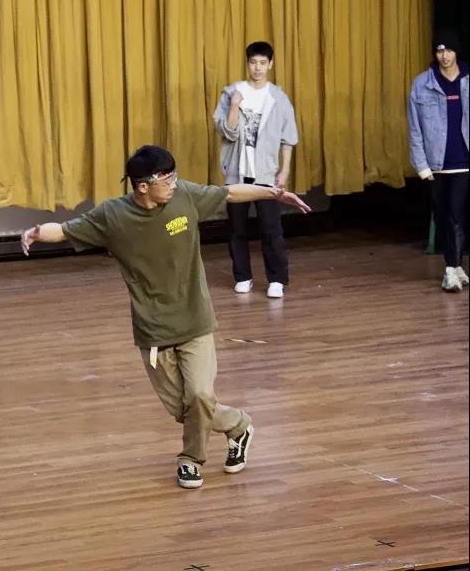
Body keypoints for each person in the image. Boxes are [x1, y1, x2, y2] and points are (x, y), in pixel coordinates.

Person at [20, 145, 310, 489]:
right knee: (183, 408)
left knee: (200, 396)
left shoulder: (184, 196)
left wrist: (273, 193)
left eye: (174, 176)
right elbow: (66, 230)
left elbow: (229, 193)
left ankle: (190, 460)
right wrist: (37, 233)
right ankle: (238, 425)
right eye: (167, 179)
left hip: (195, 320)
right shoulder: (113, 216)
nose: (174, 183)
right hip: (153, 329)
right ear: (143, 185)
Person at [213, 41, 299, 299]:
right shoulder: (232, 93)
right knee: (237, 228)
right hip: (236, 174)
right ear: (247, 63)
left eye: (263, 63)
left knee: (271, 228)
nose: (258, 68)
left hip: (266, 174)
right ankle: (243, 277)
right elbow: (226, 131)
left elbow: (288, 138)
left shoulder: (278, 98)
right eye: (253, 62)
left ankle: (277, 279)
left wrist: (284, 171)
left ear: (270, 64)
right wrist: (234, 106)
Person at [408, 29, 469, 292]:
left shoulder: (467, 79)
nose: (444, 56)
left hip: (464, 161)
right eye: (440, 50)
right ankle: (455, 265)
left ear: (457, 51)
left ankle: (451, 268)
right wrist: (421, 164)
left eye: (449, 50)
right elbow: (414, 128)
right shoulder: (422, 83)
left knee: (457, 214)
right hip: (437, 163)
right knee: (444, 216)